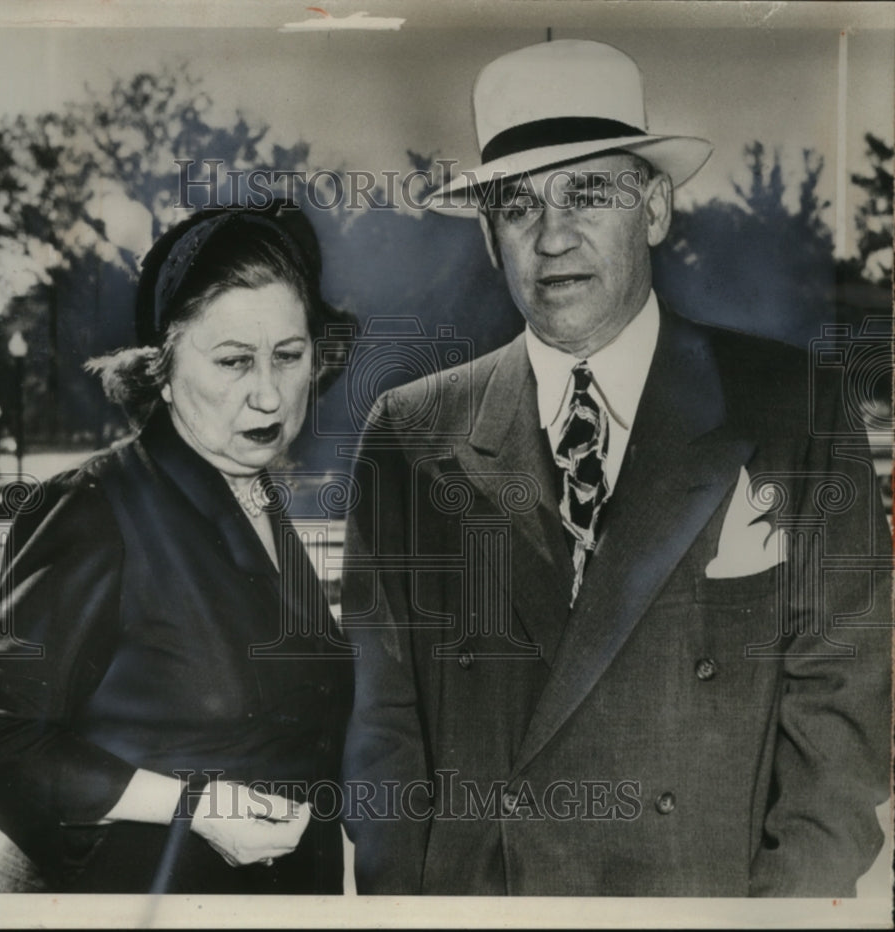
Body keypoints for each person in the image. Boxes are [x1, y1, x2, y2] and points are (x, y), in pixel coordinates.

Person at [341, 40, 891, 896]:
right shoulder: (410, 434)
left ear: (657, 208)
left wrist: (784, 920)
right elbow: (383, 728)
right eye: (518, 208)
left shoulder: (795, 408)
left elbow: (845, 702)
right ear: (490, 240)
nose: (553, 237)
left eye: (588, 194)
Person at [0, 202, 356, 894]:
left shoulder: (252, 494)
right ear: (159, 371)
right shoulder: (98, 507)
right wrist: (194, 807)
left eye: (289, 356)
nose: (268, 394)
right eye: (232, 361)